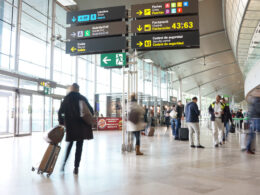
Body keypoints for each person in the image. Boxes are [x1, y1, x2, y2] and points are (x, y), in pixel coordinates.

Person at [59, 83, 94, 175]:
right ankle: (76, 167)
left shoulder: (67, 99)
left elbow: (60, 112)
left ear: (71, 89)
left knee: (69, 145)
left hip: (71, 126)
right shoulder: (82, 98)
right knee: (79, 147)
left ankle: (63, 164)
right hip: (81, 127)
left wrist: (62, 122)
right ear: (78, 89)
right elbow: (91, 110)